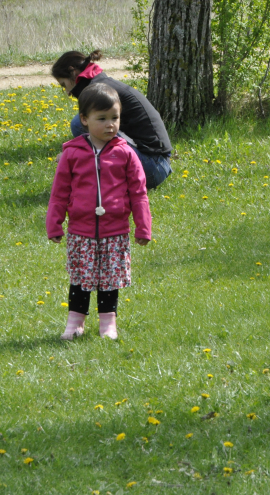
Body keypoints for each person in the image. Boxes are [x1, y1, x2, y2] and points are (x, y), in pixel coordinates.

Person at [46, 83, 152, 340]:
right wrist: (54, 224)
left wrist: (143, 227)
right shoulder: (72, 153)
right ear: (84, 119)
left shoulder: (126, 153)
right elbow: (59, 192)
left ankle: (108, 325)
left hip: (115, 231)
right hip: (80, 231)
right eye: (101, 118)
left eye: (114, 118)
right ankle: (75, 323)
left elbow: (139, 193)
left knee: (109, 280)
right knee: (81, 278)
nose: (110, 125)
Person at [51, 50, 173, 189]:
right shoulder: (99, 83)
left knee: (80, 123)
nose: (67, 92)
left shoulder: (96, 90)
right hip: (158, 164)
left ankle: (94, 175)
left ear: (72, 72)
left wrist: (71, 156)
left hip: (153, 167)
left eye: (64, 85)